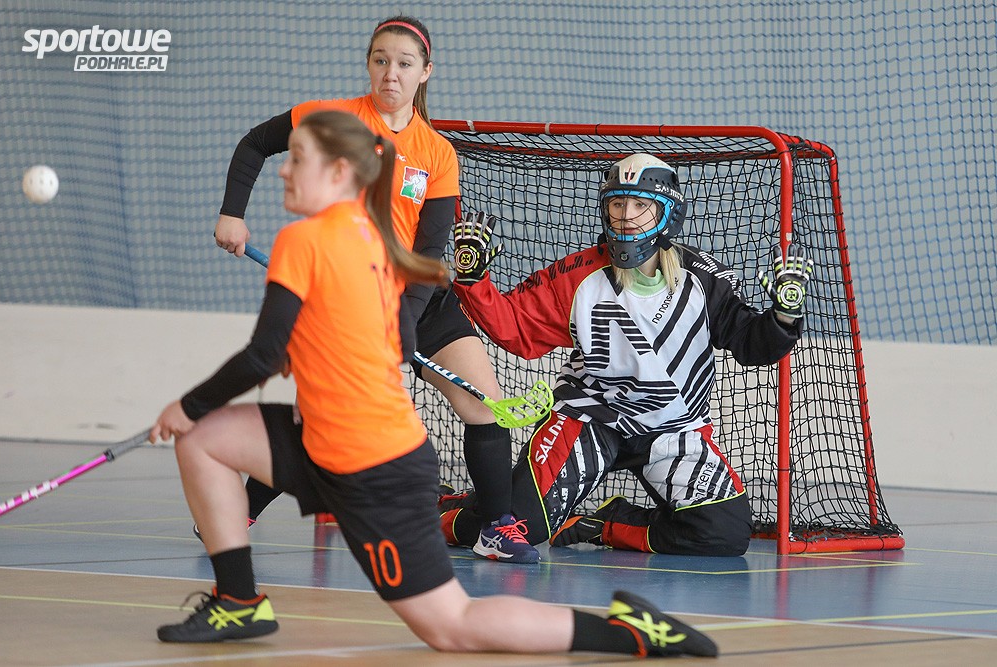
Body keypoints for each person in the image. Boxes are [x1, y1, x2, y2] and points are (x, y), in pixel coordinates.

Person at [149, 111, 718, 659]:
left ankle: (630, 633)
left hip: (368, 464)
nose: (283, 169)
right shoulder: (376, 243)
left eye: (298, 158)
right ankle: (239, 600)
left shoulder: (306, 241)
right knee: (206, 441)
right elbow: (371, 340)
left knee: (453, 627)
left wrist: (186, 405)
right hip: (331, 440)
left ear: (339, 172)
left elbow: (264, 354)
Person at [210, 15, 537, 564]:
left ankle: (496, 528)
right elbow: (254, 144)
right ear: (368, 64)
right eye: (381, 60)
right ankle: (236, 512)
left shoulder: (437, 152)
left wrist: (402, 322)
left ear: (425, 72)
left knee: (486, 405)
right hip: (347, 299)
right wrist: (232, 214)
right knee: (319, 421)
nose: (391, 73)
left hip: (418, 299)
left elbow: (430, 250)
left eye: (404, 64)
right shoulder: (335, 120)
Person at [441, 153, 813, 556]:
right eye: (617, 203)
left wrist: (783, 315)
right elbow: (516, 330)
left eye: (640, 204)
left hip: (672, 427)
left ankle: (606, 524)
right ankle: (439, 511)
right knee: (518, 526)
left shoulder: (704, 280)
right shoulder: (579, 275)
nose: (626, 215)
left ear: (668, 213)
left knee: (724, 533)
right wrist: (474, 280)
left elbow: (751, 344)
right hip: (589, 417)